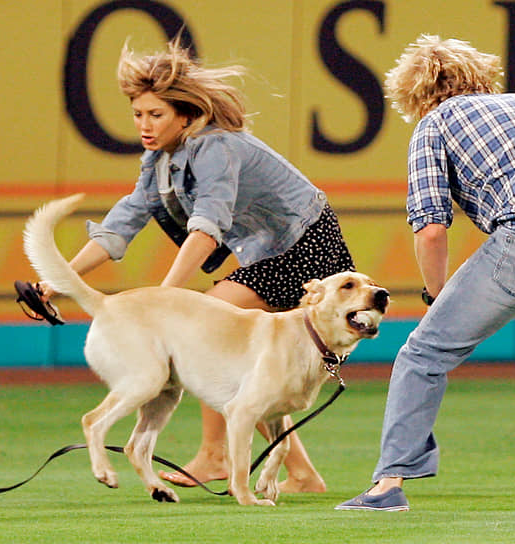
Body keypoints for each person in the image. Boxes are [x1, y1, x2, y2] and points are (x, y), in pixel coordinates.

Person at [40, 38, 356, 493]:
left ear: (186, 116)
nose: (144, 126)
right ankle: (302, 474)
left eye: (156, 115)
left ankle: (215, 454)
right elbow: (123, 223)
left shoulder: (216, 148)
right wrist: (55, 281)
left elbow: (206, 229)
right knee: (252, 369)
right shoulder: (159, 159)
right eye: (138, 114)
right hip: (265, 252)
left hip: (306, 244)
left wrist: (166, 301)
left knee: (213, 326)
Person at [335, 35, 515, 512]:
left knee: (423, 354)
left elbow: (431, 230)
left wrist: (436, 297)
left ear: (412, 92)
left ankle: (388, 486)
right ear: (481, 74)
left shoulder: (433, 125)